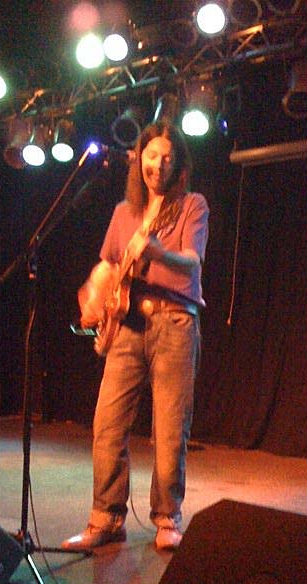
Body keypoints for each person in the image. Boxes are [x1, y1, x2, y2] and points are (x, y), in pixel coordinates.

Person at [61, 120, 209, 552]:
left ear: (177, 163)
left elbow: (193, 264)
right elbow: (108, 266)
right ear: (138, 160)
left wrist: (159, 252)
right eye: (151, 155)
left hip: (174, 323)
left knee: (169, 429)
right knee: (107, 423)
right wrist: (93, 300)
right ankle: (106, 517)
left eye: (167, 157)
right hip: (126, 326)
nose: (158, 164)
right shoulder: (123, 213)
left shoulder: (191, 205)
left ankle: (167, 517)